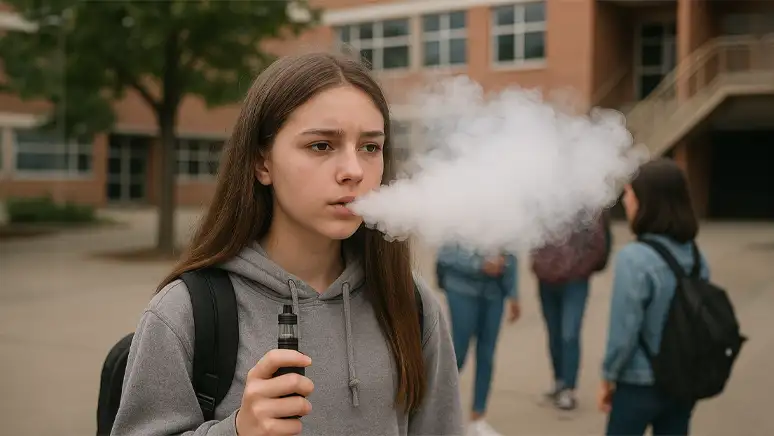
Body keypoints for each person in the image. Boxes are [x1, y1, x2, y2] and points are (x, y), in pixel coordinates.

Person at [110, 52, 463, 436]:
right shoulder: (184, 312)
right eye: (321, 146)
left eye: (370, 147)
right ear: (262, 163)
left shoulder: (410, 302)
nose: (354, 171)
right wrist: (237, 431)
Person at [599, 158, 707, 435]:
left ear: (649, 201)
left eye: (630, 193)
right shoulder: (696, 256)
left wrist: (608, 376)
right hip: (683, 379)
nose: (626, 201)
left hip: (639, 382)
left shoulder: (634, 259)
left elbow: (624, 332)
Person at [436, 245, 520, 436]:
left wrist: (514, 293)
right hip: (462, 289)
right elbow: (444, 253)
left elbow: (513, 249)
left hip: (495, 291)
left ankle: (478, 418)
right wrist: (478, 264)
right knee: (458, 353)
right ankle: (437, 413)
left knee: (487, 355)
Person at [530, 211, 611, 411]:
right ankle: (558, 381)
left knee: (569, 334)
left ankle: (569, 388)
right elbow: (532, 235)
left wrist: (581, 267)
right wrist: (538, 263)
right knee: (554, 333)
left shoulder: (587, 204)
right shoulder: (544, 201)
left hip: (574, 281)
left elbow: (598, 242)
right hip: (546, 278)